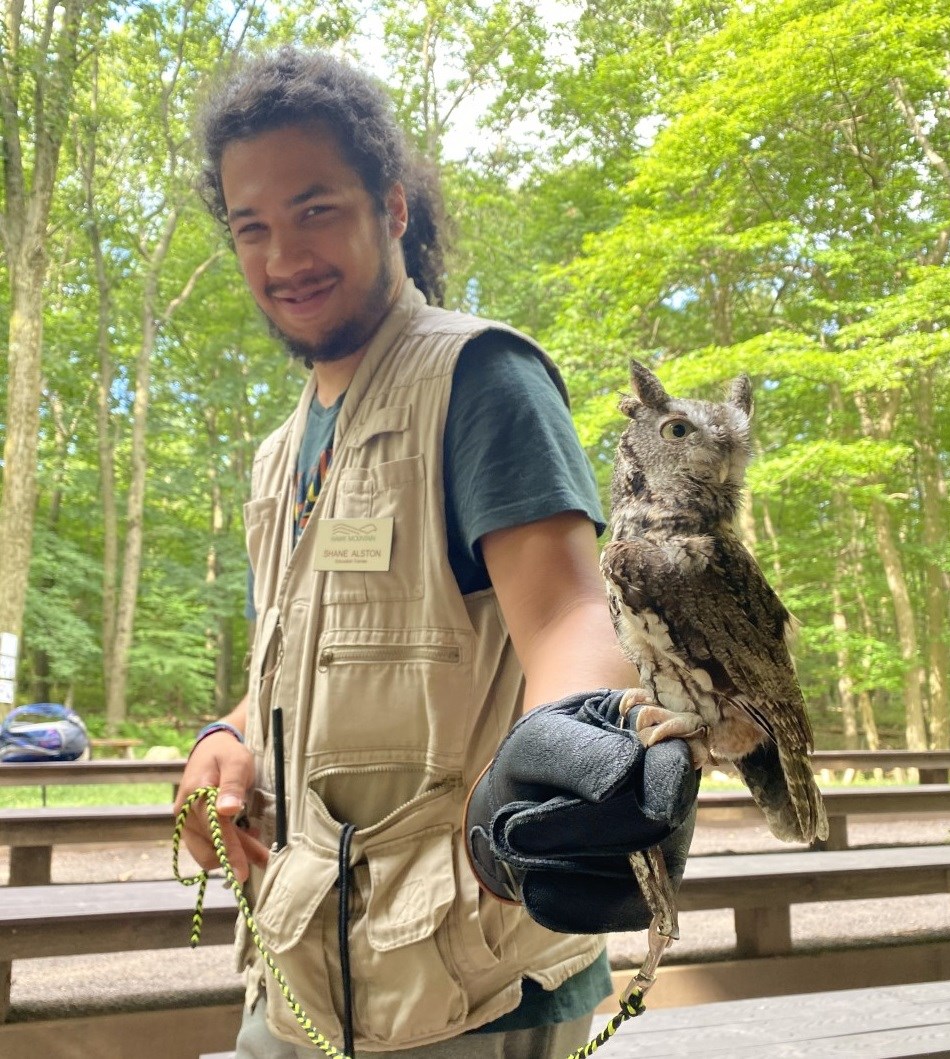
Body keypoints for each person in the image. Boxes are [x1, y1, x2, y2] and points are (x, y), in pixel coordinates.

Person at [174, 46, 697, 1059]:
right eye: (252, 226)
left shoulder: (478, 378)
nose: (284, 254)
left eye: (315, 208)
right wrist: (222, 739)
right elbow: (291, 670)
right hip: (302, 968)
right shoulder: (280, 454)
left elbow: (567, 615)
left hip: (470, 981)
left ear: (395, 206)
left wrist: (580, 746)